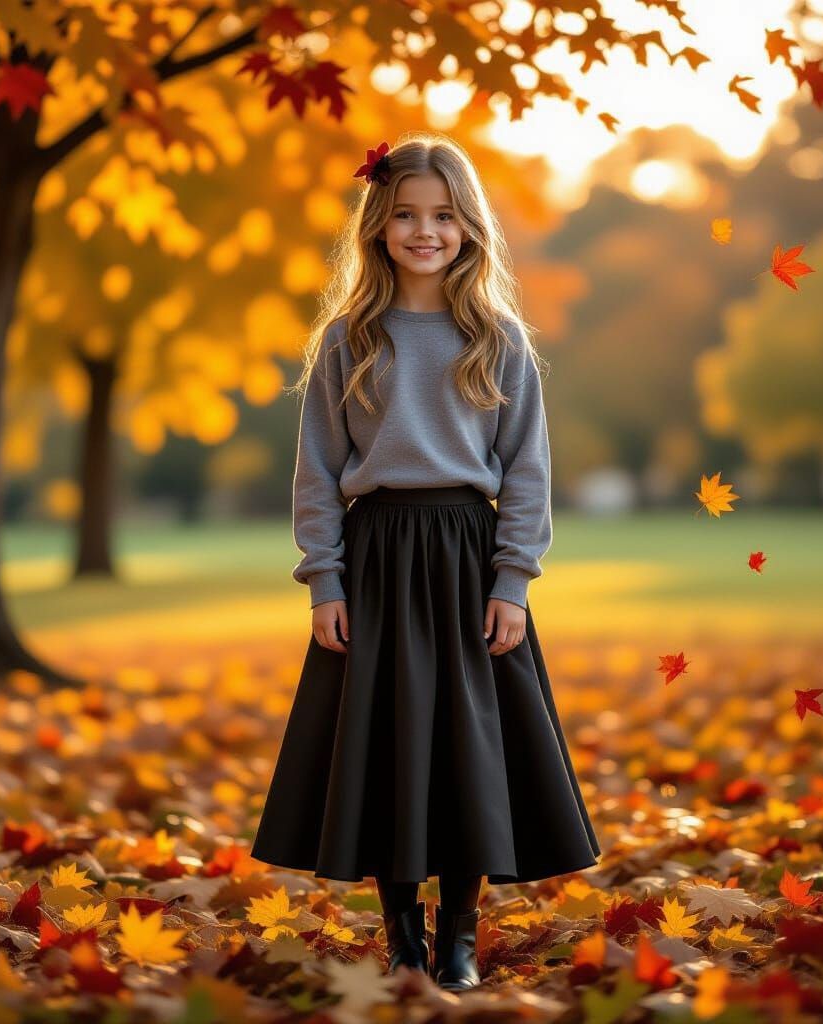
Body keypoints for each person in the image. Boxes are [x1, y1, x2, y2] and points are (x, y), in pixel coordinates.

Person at [250, 133, 600, 991]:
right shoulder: (349, 339)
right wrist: (323, 580)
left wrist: (513, 580)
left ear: (469, 226)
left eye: (443, 216)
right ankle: (403, 934)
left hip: (469, 561)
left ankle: (460, 938)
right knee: (389, 745)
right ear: (378, 224)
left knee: (468, 748)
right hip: (376, 559)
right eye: (406, 215)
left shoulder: (498, 339)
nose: (425, 231)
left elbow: (526, 470)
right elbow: (317, 472)